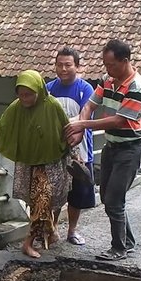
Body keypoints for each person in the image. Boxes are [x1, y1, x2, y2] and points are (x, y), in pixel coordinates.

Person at [0, 70, 72, 258]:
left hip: (51, 163)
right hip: (28, 163)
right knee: (37, 203)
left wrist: (73, 153)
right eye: (21, 95)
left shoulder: (53, 106)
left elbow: (67, 132)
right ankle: (49, 231)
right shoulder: (16, 109)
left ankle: (28, 243)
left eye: (28, 95)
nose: (24, 99)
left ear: (39, 91)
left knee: (42, 200)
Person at [64, 39, 141, 261]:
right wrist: (81, 129)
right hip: (112, 146)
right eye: (105, 65)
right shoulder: (108, 81)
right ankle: (127, 242)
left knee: (113, 198)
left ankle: (118, 248)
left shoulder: (136, 86)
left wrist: (82, 125)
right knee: (110, 197)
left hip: (129, 148)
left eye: (112, 65)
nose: (108, 69)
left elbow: (119, 121)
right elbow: (90, 105)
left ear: (125, 61)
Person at [46, 47, 96, 246]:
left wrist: (62, 124)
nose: (63, 69)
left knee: (78, 194)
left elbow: (85, 116)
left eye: (68, 65)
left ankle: (72, 231)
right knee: (54, 193)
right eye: (60, 65)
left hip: (80, 151)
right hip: (53, 151)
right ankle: (52, 229)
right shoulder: (48, 88)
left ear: (77, 66)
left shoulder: (86, 89)